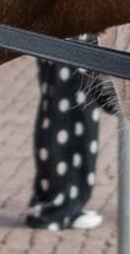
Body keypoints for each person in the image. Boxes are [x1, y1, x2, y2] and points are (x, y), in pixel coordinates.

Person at [17, 61, 106, 233]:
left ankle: (59, 202)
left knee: (63, 103)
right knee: (70, 106)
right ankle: (58, 206)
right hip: (72, 41)